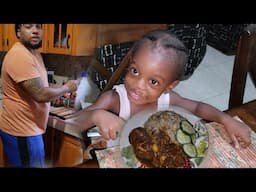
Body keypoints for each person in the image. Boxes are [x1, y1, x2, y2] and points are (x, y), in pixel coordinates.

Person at [65, 30, 251, 149]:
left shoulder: (167, 99)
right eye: (135, 71)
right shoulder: (113, 100)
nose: (138, 85)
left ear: (169, 87)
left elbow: (197, 108)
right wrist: (95, 115)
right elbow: (71, 124)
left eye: (153, 82)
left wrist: (225, 119)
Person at [0, 24, 77, 168]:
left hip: (29, 130)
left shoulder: (35, 54)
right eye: (28, 27)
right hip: (21, 132)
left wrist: (59, 90)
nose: (35, 31)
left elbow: (42, 88)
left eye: (38, 27)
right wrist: (67, 87)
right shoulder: (19, 55)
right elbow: (40, 94)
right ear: (18, 32)